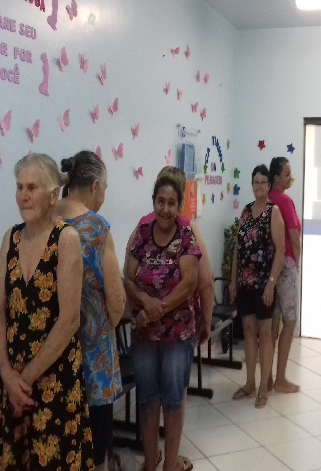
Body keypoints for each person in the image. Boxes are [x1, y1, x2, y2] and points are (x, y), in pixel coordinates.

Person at [0, 153, 94, 470]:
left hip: (54, 382)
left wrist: (25, 379)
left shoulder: (66, 239)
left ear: (52, 195)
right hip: (15, 383)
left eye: (32, 187)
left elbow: (69, 320)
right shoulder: (10, 238)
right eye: (19, 186)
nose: (23, 195)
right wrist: (8, 376)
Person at [124, 175, 200, 471]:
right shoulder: (142, 232)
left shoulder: (186, 234)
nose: (165, 209)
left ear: (179, 205)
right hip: (144, 332)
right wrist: (145, 301)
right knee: (147, 399)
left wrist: (158, 308)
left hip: (177, 334)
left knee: (172, 399)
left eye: (171, 203)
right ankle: (149, 461)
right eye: (160, 201)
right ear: (153, 202)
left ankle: (170, 464)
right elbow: (128, 278)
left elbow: (190, 282)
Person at [56, 150, 125, 471]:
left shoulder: (46, 220)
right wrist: (105, 329)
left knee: (61, 445)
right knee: (97, 447)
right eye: (106, 188)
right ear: (95, 186)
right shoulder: (96, 228)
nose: (104, 196)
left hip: (53, 355)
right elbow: (116, 300)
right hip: (93, 355)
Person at [125, 166, 214, 346]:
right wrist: (207, 321)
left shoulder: (141, 226)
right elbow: (206, 281)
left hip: (147, 325)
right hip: (165, 330)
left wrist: (145, 311)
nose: (166, 208)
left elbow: (129, 273)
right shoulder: (188, 228)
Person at [229, 165, 285, 408]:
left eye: (263, 182)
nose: (259, 186)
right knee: (249, 331)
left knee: (265, 332)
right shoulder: (245, 211)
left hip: (264, 285)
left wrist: (271, 284)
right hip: (245, 283)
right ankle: (250, 383)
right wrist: (233, 281)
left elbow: (280, 251)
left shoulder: (274, 212)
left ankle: (264, 387)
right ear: (252, 185)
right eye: (256, 182)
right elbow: (238, 249)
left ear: (269, 186)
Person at [267, 156, 301, 393]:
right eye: (287, 174)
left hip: (269, 268)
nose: (290, 178)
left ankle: (268, 378)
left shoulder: (266, 200)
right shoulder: (284, 201)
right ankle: (280, 378)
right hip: (286, 264)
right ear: (276, 178)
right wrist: (297, 263)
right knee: (289, 321)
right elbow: (294, 237)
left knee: (272, 322)